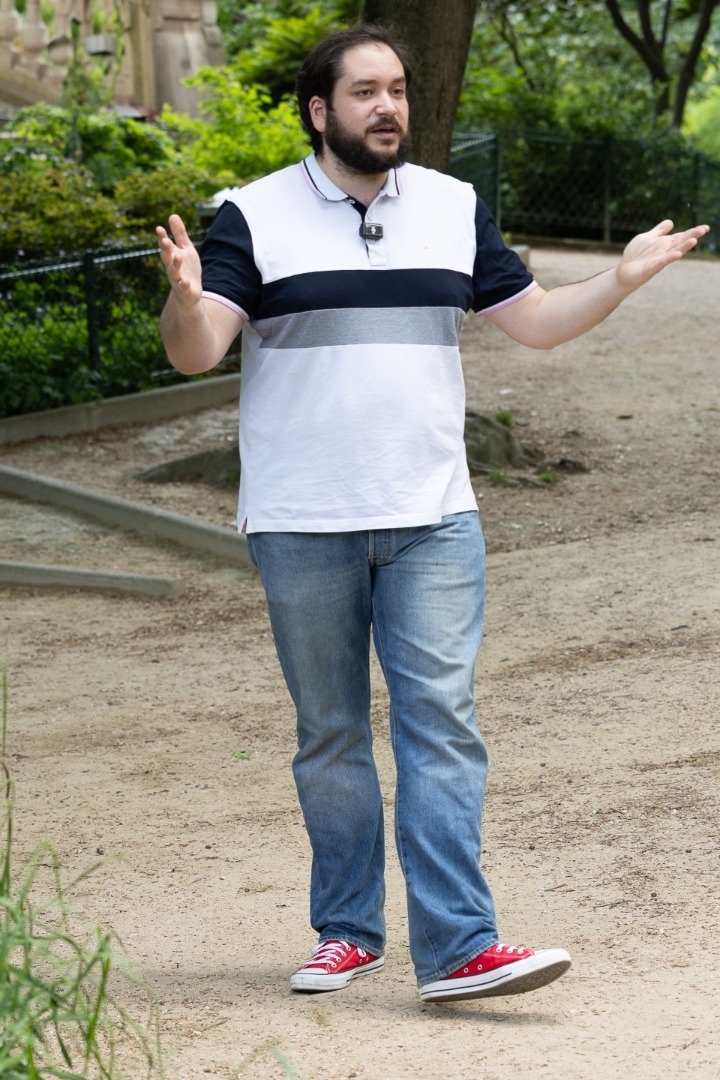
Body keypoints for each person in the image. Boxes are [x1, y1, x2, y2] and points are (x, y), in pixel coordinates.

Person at [156, 24, 708, 1004]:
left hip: (434, 515)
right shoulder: (254, 214)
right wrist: (186, 300)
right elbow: (197, 350)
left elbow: (534, 322)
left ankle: (458, 948)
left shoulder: (453, 206)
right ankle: (347, 931)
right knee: (331, 734)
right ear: (319, 110)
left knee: (442, 724)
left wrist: (619, 281)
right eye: (365, 91)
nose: (389, 107)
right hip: (303, 519)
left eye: (399, 89)